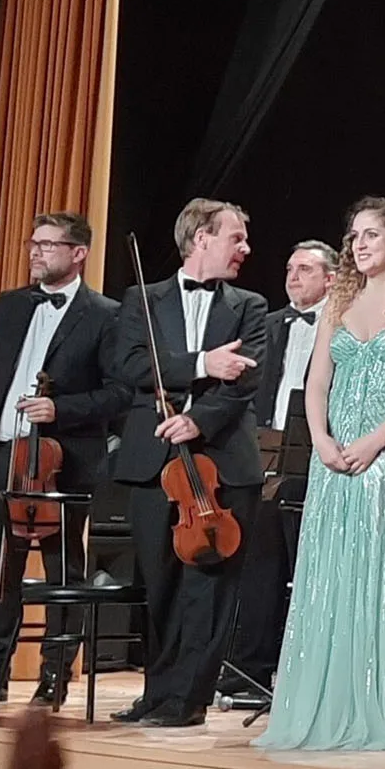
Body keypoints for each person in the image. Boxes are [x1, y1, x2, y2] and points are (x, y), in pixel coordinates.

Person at [255, 197, 385, 751]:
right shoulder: (339, 302)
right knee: (325, 573)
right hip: (331, 455)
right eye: (355, 236)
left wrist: (372, 442)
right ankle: (321, 703)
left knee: (375, 575)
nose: (360, 245)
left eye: (372, 236)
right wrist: (322, 441)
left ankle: (374, 706)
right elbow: (315, 385)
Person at [0, 212, 128, 711]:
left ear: (78, 254)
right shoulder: (9, 306)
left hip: (63, 459)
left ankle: (54, 675)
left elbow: (118, 394)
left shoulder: (107, 314)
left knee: (63, 568)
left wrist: (61, 409)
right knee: (0, 569)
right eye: (34, 243)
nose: (36, 253)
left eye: (49, 245)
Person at [110, 199, 269, 728]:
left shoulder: (249, 304)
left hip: (223, 461)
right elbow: (132, 364)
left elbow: (246, 379)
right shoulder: (143, 299)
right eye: (237, 237)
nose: (245, 248)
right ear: (201, 237)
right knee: (160, 585)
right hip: (154, 459)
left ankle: (188, 700)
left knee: (209, 587)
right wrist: (204, 363)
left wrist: (198, 420)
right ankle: (157, 693)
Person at [223, 240, 336, 699]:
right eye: (290, 268)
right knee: (259, 568)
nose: (293, 276)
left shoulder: (342, 323)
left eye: (305, 269)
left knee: (308, 569)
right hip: (265, 454)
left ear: (330, 279)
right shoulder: (267, 323)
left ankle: (306, 678)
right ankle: (249, 673)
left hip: (321, 457)